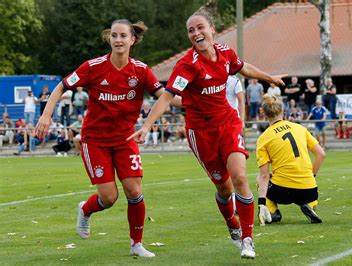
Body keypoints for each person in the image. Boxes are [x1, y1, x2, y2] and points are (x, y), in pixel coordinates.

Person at [128, 10, 285, 259]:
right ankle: (232, 225)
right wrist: (147, 126)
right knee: (224, 189)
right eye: (191, 30)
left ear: (212, 29)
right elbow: (167, 97)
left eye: (200, 27)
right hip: (200, 133)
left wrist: (270, 78)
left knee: (240, 178)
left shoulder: (225, 53)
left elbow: (243, 68)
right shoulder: (187, 65)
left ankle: (247, 239)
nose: (196, 33)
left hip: (228, 122)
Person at [35, 19, 181, 257]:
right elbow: (62, 86)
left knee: (134, 191)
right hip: (95, 141)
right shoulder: (93, 67)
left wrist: (197, 103)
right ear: (109, 39)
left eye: (123, 35)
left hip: (126, 139)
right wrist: (46, 114)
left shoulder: (141, 70)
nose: (118, 40)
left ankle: (137, 244)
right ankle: (85, 210)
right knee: (109, 197)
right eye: (114, 35)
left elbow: (165, 97)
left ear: (132, 40)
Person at [256, 94, 325, 225]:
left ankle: (273, 212)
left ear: (264, 114)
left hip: (282, 192)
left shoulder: (263, 138)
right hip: (309, 190)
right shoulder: (300, 128)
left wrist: (261, 204)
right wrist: (312, 176)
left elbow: (264, 176)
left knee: (259, 179)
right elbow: (321, 154)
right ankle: (310, 204)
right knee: (308, 188)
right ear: (282, 111)